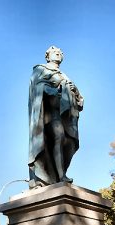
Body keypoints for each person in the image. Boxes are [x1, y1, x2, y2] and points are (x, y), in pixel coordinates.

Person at [28, 46, 84, 189]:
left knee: (69, 142)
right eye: (55, 52)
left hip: (64, 115)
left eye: (60, 53)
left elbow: (79, 99)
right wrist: (53, 90)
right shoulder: (40, 69)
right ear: (48, 56)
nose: (58, 54)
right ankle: (60, 176)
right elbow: (37, 88)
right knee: (58, 136)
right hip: (48, 114)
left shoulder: (64, 75)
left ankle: (60, 174)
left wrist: (74, 91)